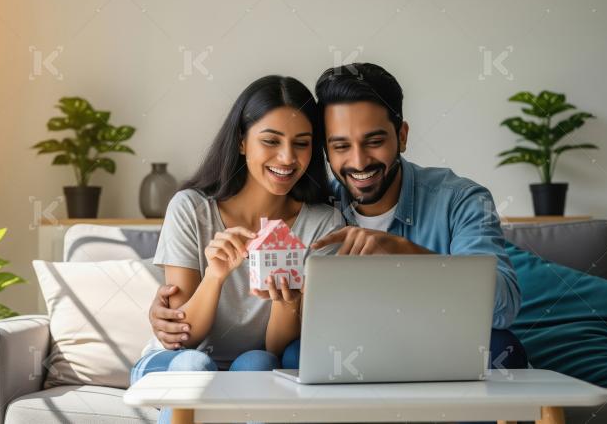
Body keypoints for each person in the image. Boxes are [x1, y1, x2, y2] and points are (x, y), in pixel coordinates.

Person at [149, 63, 528, 373]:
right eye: (340, 146)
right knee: (296, 357)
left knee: (502, 349)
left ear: (402, 136)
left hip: (442, 347)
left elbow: (504, 305)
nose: (359, 162)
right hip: (353, 352)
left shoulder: (461, 200)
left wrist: (406, 253)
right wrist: (172, 305)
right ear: (325, 151)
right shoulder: (322, 204)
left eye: (375, 141)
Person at [130, 75, 343, 424]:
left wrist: (287, 302)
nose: (287, 157)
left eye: (302, 143)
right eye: (271, 141)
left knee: (260, 363)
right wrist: (215, 275)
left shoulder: (323, 224)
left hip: (254, 359)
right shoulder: (191, 209)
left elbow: (274, 349)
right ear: (242, 142)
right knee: (196, 365)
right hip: (175, 360)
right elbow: (184, 337)